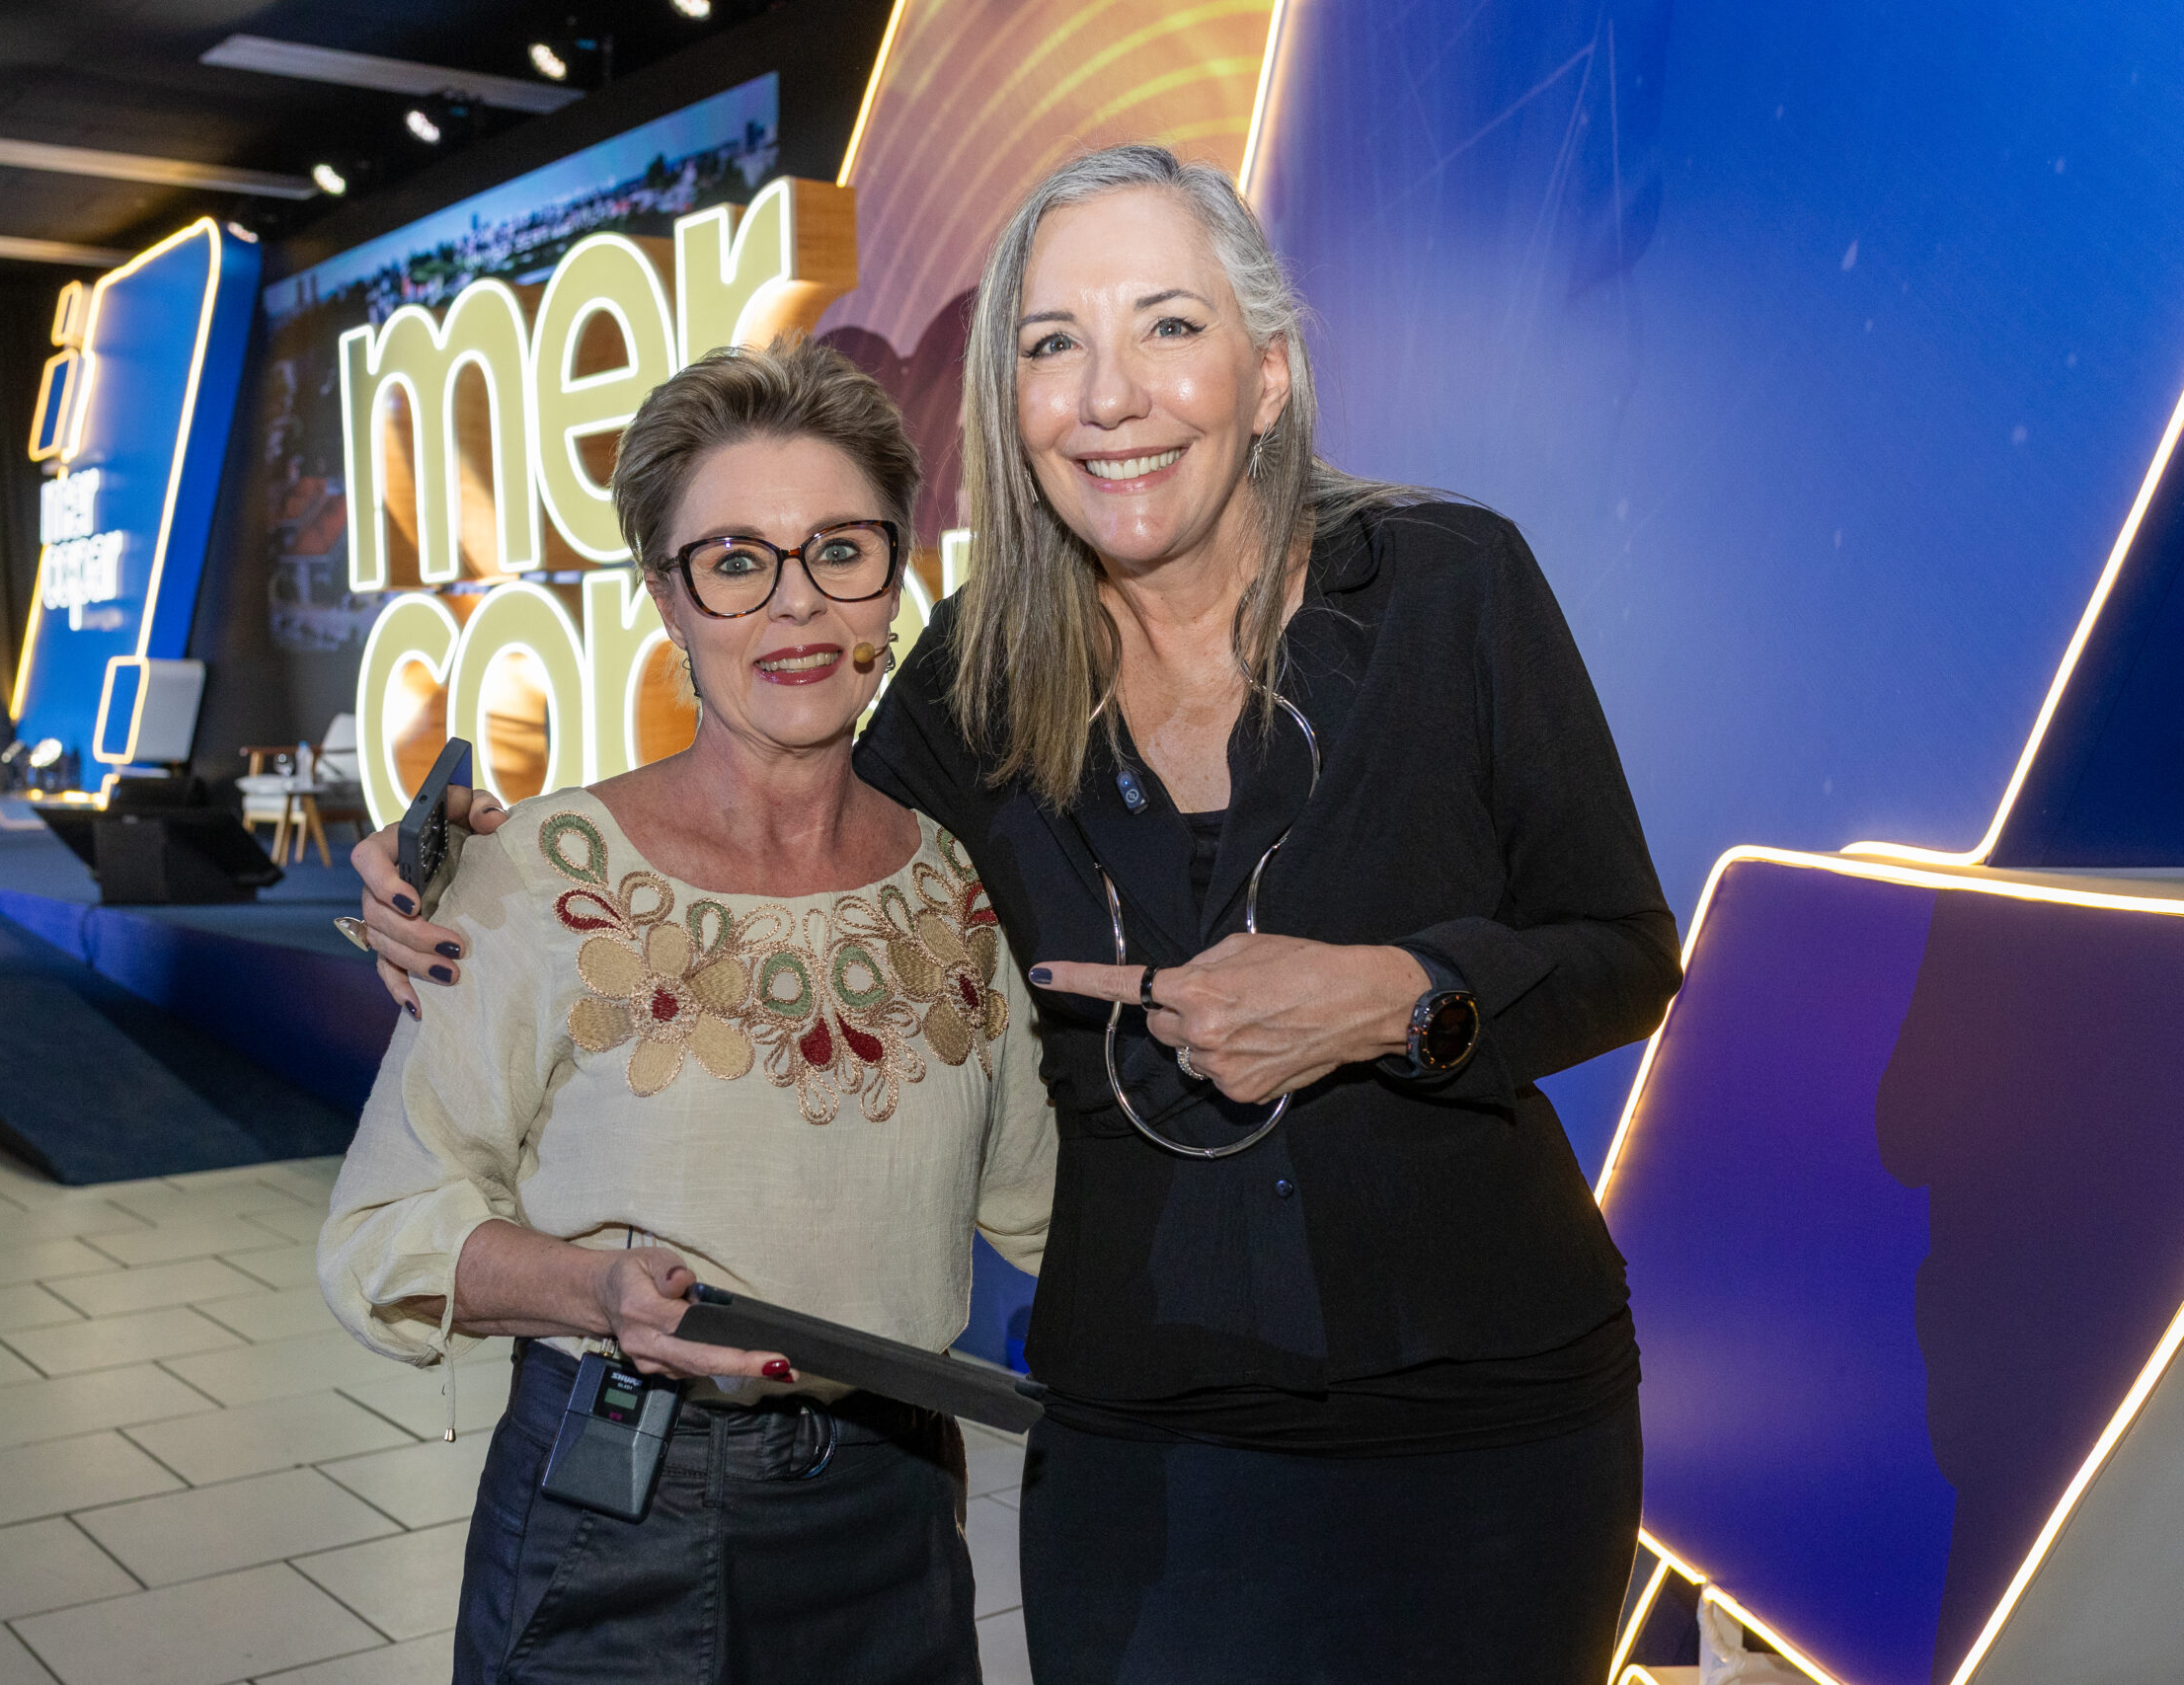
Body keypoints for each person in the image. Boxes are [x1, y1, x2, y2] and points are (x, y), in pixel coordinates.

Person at [358, 146, 1680, 1685]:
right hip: (1147, 1447)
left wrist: (1403, 996)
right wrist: (464, 860)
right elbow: (785, 822)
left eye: (1168, 324)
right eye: (1055, 343)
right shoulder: (972, 682)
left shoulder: (1453, 589)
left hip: (1497, 1425)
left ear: (1267, 373)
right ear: (1012, 402)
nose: (1111, 394)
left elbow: (1621, 952)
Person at [318, 338, 1054, 1685]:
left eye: (842, 550)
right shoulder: (537, 875)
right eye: (734, 561)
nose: (797, 603)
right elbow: (380, 1232)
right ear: (667, 596)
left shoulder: (955, 885)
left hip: (894, 1508)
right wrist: (593, 1290)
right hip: (621, 1518)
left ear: (895, 575)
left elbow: (1046, 1202)